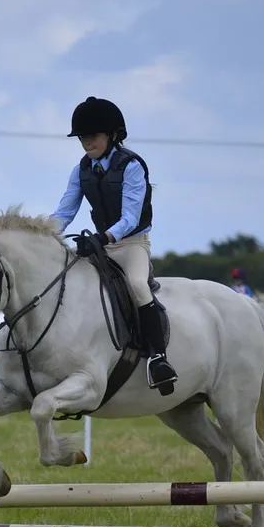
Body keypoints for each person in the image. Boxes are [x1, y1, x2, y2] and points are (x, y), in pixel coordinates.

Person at [50, 96, 176, 394]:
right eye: (82, 137)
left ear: (112, 135)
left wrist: (103, 237)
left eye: (92, 136)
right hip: (102, 246)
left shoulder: (131, 166)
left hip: (132, 244)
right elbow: (65, 212)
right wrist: (44, 234)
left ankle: (159, 358)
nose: (86, 142)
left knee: (137, 285)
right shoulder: (81, 170)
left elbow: (131, 217)